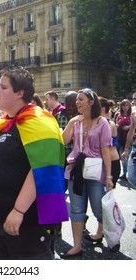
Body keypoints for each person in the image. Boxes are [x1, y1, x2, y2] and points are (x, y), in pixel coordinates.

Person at [0, 66, 68, 259]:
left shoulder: (41, 122)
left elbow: (42, 169)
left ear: (20, 93)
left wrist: (18, 211)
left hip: (26, 220)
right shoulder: (1, 123)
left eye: (3, 87)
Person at [61, 88, 113, 259]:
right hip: (76, 170)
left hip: (96, 172)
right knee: (76, 210)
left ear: (91, 102)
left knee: (99, 208)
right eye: (77, 100)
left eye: (81, 99)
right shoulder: (76, 122)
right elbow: (64, 140)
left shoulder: (102, 122)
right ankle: (77, 246)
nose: (77, 103)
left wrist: (109, 176)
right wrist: (71, 122)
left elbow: (106, 150)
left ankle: (104, 230)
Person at [115, 99, 131, 179]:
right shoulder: (118, 115)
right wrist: (118, 126)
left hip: (129, 139)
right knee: (122, 156)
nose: (125, 107)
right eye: (124, 105)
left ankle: (129, 172)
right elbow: (116, 124)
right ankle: (125, 172)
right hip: (121, 138)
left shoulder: (132, 115)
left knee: (129, 156)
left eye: (127, 105)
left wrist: (129, 127)